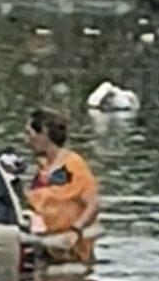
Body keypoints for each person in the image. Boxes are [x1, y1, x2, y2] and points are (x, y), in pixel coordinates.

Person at [22, 108, 100, 264]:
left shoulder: (72, 165)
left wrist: (75, 231)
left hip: (71, 252)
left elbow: (93, 204)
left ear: (44, 134)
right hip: (48, 248)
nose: (26, 140)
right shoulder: (43, 169)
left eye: (29, 134)